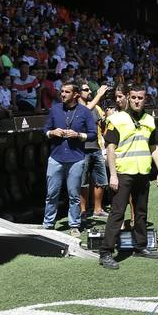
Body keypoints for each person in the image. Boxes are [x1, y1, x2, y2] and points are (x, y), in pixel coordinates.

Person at [100, 86, 158, 270]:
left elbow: (154, 147)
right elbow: (110, 148)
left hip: (143, 173)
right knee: (117, 213)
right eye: (134, 97)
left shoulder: (150, 120)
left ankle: (140, 246)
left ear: (146, 99)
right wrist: (112, 174)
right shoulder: (116, 119)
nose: (137, 101)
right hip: (123, 173)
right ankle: (106, 252)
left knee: (141, 212)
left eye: (140, 98)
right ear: (128, 98)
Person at [43, 80, 97, 235]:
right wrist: (52, 133)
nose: (63, 94)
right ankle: (48, 224)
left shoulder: (85, 111)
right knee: (51, 194)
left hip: (76, 158)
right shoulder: (55, 109)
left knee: (74, 194)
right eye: (62, 91)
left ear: (76, 95)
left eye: (66, 92)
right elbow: (45, 129)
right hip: (56, 158)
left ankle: (74, 224)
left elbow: (93, 133)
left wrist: (79, 135)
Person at [81, 81, 111, 220]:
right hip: (83, 148)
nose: (89, 92)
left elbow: (102, 126)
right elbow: (85, 111)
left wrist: (108, 118)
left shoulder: (96, 108)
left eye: (89, 90)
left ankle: (98, 209)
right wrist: (99, 94)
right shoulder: (78, 107)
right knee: (83, 181)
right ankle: (83, 210)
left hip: (97, 146)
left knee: (101, 179)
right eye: (86, 90)